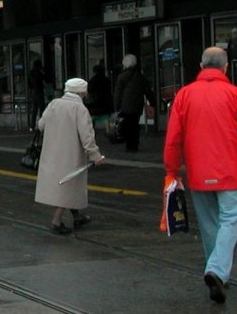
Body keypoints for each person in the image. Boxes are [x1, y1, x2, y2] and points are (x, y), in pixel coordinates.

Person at [163, 47, 237, 304]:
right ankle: (217, 270)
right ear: (226, 68)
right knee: (229, 222)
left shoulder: (184, 96)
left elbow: (173, 138)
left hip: (198, 173)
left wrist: (172, 169)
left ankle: (216, 269)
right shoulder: (236, 95)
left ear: (201, 67)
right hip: (231, 173)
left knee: (209, 224)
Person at [35, 77, 106, 234]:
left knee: (66, 185)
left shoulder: (53, 104)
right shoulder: (79, 109)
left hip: (52, 153)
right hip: (70, 155)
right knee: (68, 185)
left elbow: (41, 125)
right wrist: (96, 156)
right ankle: (56, 221)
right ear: (82, 92)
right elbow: (87, 136)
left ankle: (77, 216)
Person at [113, 54, 155, 153]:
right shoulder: (140, 76)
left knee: (127, 125)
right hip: (137, 105)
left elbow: (118, 93)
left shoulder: (121, 77)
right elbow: (147, 90)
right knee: (135, 125)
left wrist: (116, 107)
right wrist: (153, 102)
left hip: (125, 105)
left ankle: (129, 145)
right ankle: (134, 144)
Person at [27, 59, 46, 130]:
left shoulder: (31, 73)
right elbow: (44, 79)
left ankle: (32, 126)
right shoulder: (39, 72)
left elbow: (29, 84)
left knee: (34, 109)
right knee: (42, 109)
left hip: (33, 92)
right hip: (39, 92)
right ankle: (41, 125)